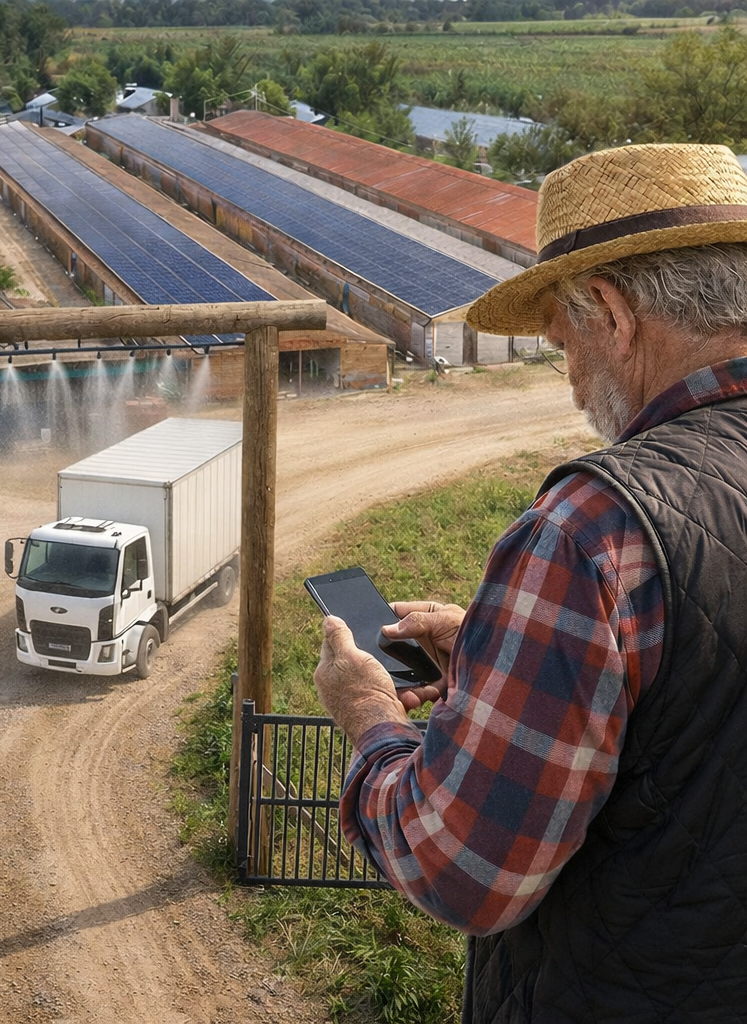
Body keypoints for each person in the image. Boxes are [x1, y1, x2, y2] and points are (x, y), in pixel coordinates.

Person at [313, 143, 747, 1023]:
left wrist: (371, 720)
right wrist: (509, 641)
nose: (571, 377)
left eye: (562, 341)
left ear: (613, 315)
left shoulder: (593, 530)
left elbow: (463, 870)